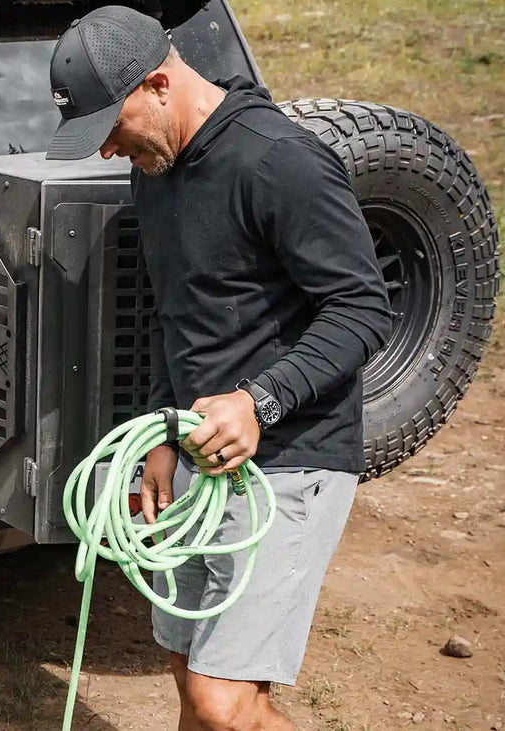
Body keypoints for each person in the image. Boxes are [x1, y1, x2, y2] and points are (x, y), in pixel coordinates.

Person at [46, 7, 392, 730]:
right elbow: (181, 315)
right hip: (199, 451)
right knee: (188, 670)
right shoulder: (158, 170)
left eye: (113, 128)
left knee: (223, 702)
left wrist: (257, 401)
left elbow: (364, 308)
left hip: (292, 456)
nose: (109, 152)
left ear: (159, 83)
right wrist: (162, 435)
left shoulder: (279, 161)